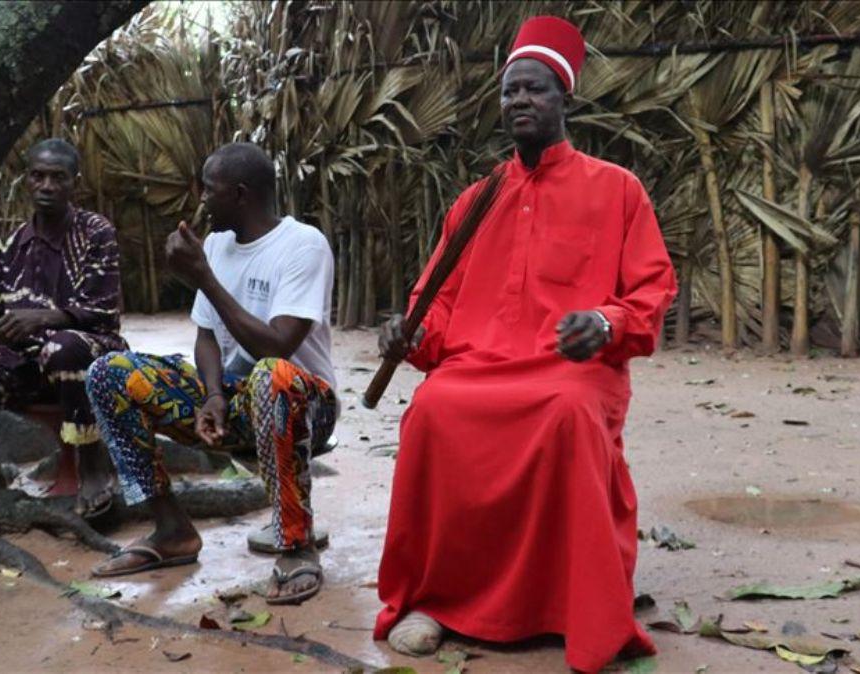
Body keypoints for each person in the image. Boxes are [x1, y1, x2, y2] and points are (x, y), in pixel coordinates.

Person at [372, 16, 677, 672]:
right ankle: (438, 600)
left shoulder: (617, 190)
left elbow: (650, 294)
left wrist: (606, 323)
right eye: (510, 91)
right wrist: (411, 332)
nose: (519, 101)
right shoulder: (476, 201)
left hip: (575, 371)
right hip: (480, 366)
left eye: (535, 89)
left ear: (563, 98)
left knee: (567, 413)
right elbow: (439, 303)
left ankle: (572, 609)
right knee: (432, 410)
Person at [84, 142, 337, 605]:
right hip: (236, 398)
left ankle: (296, 544)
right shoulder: (218, 244)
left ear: (240, 195)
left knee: (272, 377)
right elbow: (206, 335)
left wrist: (204, 276)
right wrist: (213, 394)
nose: (200, 200)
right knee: (108, 373)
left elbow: (276, 347)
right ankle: (171, 530)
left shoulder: (303, 245)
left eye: (209, 190)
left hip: (305, 404)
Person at [0, 138, 125, 516]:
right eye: (38, 176)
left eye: (58, 177)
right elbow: (5, 318)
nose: (47, 186)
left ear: (75, 183)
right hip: (27, 361)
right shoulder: (13, 241)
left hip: (93, 353)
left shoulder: (95, 232)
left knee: (63, 348)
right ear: (27, 180)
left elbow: (102, 312)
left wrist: (43, 318)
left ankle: (94, 466)